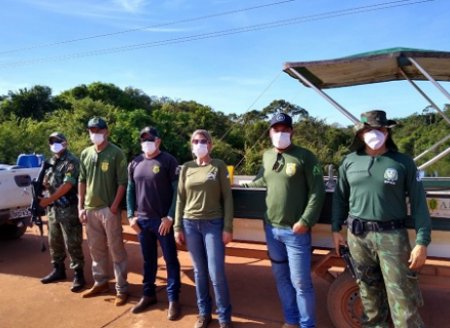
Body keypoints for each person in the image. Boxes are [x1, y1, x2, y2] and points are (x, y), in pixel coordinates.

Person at [331, 110, 431, 327]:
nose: (374, 133)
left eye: (380, 129)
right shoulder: (349, 162)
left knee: (402, 300)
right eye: (369, 129)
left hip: (392, 238)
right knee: (368, 297)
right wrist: (336, 230)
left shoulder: (402, 162)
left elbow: (419, 203)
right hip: (358, 237)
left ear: (387, 132)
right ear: (360, 134)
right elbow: (340, 198)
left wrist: (422, 242)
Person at [241, 113, 325, 328]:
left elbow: (318, 191)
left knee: (301, 283)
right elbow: (262, 179)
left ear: (292, 132)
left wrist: (306, 220)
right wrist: (242, 186)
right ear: (270, 132)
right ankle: (291, 321)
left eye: (285, 129)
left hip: (295, 231)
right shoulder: (267, 156)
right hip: (271, 229)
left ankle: (307, 325)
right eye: (276, 129)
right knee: (282, 280)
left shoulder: (305, 156)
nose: (281, 133)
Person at [174, 129, 233, 328]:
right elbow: (180, 199)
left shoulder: (218, 166)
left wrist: (227, 227)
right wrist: (177, 226)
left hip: (213, 224)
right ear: (191, 145)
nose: (199, 144)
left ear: (210, 144)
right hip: (190, 224)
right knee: (199, 272)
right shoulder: (186, 168)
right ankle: (204, 313)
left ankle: (224, 317)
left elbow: (227, 198)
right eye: (195, 141)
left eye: (203, 141)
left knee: (216, 273)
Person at [126, 126, 181, 319]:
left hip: (162, 221)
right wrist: (131, 216)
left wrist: (170, 216)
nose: (146, 142)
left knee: (170, 260)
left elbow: (177, 192)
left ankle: (173, 299)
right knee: (148, 260)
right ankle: (148, 294)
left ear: (158, 141)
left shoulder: (168, 161)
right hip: (142, 221)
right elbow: (130, 190)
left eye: (150, 138)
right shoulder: (135, 162)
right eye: (143, 139)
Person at [78, 117, 129, 306]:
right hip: (90, 209)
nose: (95, 134)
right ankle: (101, 282)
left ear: (106, 131)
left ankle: (121, 288)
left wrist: (115, 206)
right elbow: (81, 180)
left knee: (116, 248)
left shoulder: (116, 153)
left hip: (109, 209)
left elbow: (123, 182)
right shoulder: (85, 153)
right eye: (91, 130)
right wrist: (80, 206)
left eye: (98, 130)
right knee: (95, 248)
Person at [39, 132, 85, 292]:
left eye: (57, 142)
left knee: (72, 242)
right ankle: (58, 269)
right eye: (51, 142)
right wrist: (42, 187)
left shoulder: (71, 161)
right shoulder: (51, 162)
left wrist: (48, 199)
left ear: (65, 143)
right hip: (53, 210)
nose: (54, 145)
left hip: (68, 209)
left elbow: (68, 185)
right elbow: (48, 182)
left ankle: (79, 275)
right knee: (54, 241)